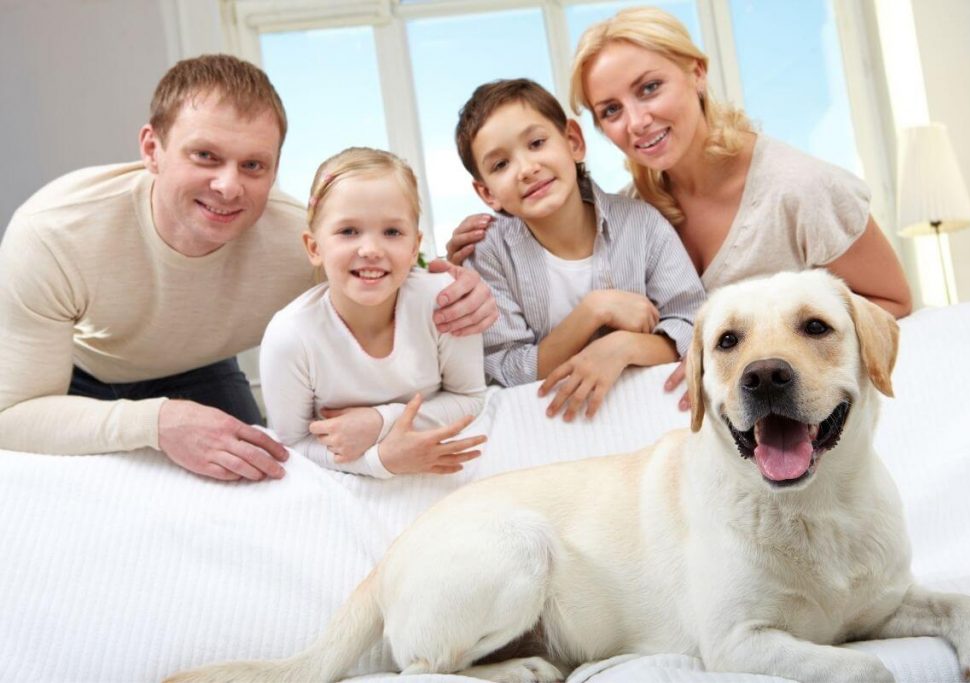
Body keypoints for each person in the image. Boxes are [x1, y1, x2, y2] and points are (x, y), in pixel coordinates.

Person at [0, 55, 496, 482]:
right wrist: (157, 423)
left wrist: (450, 276)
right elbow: (10, 417)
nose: (228, 186)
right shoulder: (55, 232)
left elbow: (378, 250)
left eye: (253, 166)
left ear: (276, 169)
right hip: (79, 374)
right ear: (152, 149)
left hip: (202, 368)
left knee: (263, 476)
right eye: (205, 156)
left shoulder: (295, 239)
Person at [446, 7, 912, 409]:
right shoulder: (635, 208)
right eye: (610, 110)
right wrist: (470, 252)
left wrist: (791, 360)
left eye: (649, 88)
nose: (636, 120)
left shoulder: (800, 189)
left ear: (697, 73)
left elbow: (895, 304)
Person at [456, 79, 705, 421]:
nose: (527, 169)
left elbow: (695, 326)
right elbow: (510, 372)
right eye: (501, 165)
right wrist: (593, 310)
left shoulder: (642, 224)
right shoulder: (487, 253)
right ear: (487, 194)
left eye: (537, 143)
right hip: (554, 428)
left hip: (648, 414)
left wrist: (622, 347)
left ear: (573, 141)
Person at [259, 148, 487, 478]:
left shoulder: (444, 302)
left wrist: (379, 422)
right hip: (342, 478)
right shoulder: (290, 336)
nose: (371, 250)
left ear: (414, 248)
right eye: (348, 231)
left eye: (392, 232)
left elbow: (470, 398)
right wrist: (380, 461)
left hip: (439, 466)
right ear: (314, 247)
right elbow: (291, 445)